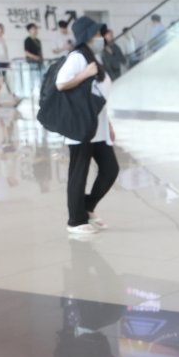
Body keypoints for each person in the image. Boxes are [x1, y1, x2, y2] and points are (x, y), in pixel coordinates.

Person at [56, 15, 119, 238]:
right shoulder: (77, 57)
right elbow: (61, 83)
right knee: (79, 172)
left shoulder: (93, 56)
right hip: (82, 126)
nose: (99, 37)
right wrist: (85, 73)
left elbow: (98, 95)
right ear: (86, 37)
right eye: (95, 34)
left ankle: (87, 207)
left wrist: (108, 123)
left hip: (98, 126)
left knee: (111, 169)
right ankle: (75, 220)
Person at [0, 22, 19, 107]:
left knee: (5, 81)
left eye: (2, 28)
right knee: (1, 81)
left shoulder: (2, 39)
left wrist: (7, 62)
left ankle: (13, 98)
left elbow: (4, 52)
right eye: (0, 28)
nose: (2, 30)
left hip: (4, 62)